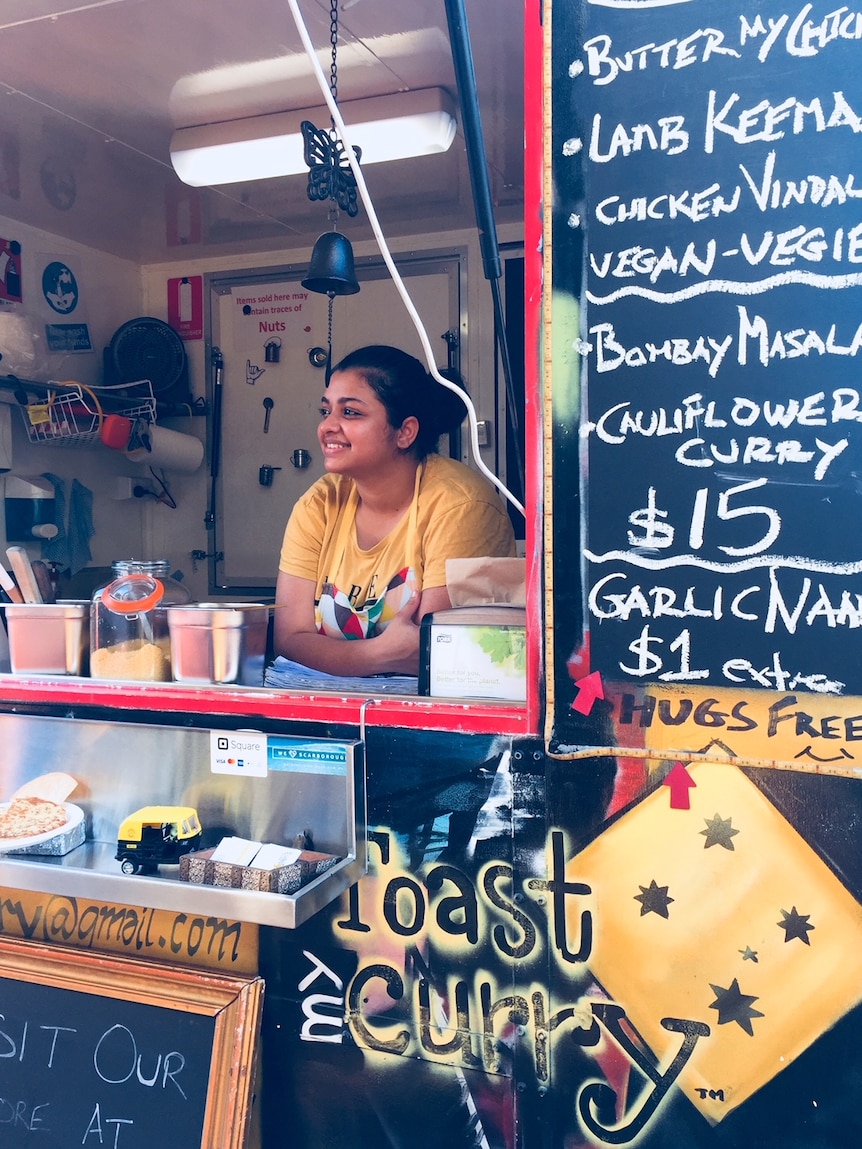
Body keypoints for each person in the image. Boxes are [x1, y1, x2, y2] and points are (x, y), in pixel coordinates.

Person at [274, 345, 516, 677]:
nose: (327, 427)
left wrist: (334, 654)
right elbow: (288, 640)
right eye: (325, 411)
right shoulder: (319, 504)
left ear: (405, 432)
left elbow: (430, 653)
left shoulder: (461, 506)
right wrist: (377, 654)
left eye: (351, 413)